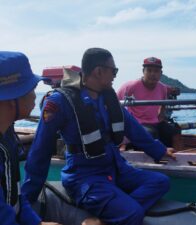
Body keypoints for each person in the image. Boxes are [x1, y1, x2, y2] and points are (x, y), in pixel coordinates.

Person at [22, 48, 175, 225]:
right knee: (133, 213)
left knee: (161, 182)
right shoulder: (60, 102)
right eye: (114, 70)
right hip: (85, 177)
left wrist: (160, 150)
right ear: (99, 71)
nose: (115, 75)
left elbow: (134, 128)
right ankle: (120, 211)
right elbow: (40, 150)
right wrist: (28, 198)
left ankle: (103, 218)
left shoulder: (108, 98)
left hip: (115, 167)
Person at [0, 51, 60, 225]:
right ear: (12, 98)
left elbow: (15, 195)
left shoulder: (8, 136)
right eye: (31, 89)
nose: (36, 96)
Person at [117, 57, 182, 150]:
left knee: (175, 130)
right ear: (143, 71)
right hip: (137, 123)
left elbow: (163, 104)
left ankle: (179, 158)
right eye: (149, 70)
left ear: (161, 74)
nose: (152, 74)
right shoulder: (130, 86)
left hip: (154, 122)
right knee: (152, 133)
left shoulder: (162, 87)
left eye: (156, 71)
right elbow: (115, 102)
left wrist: (161, 117)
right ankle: (155, 160)